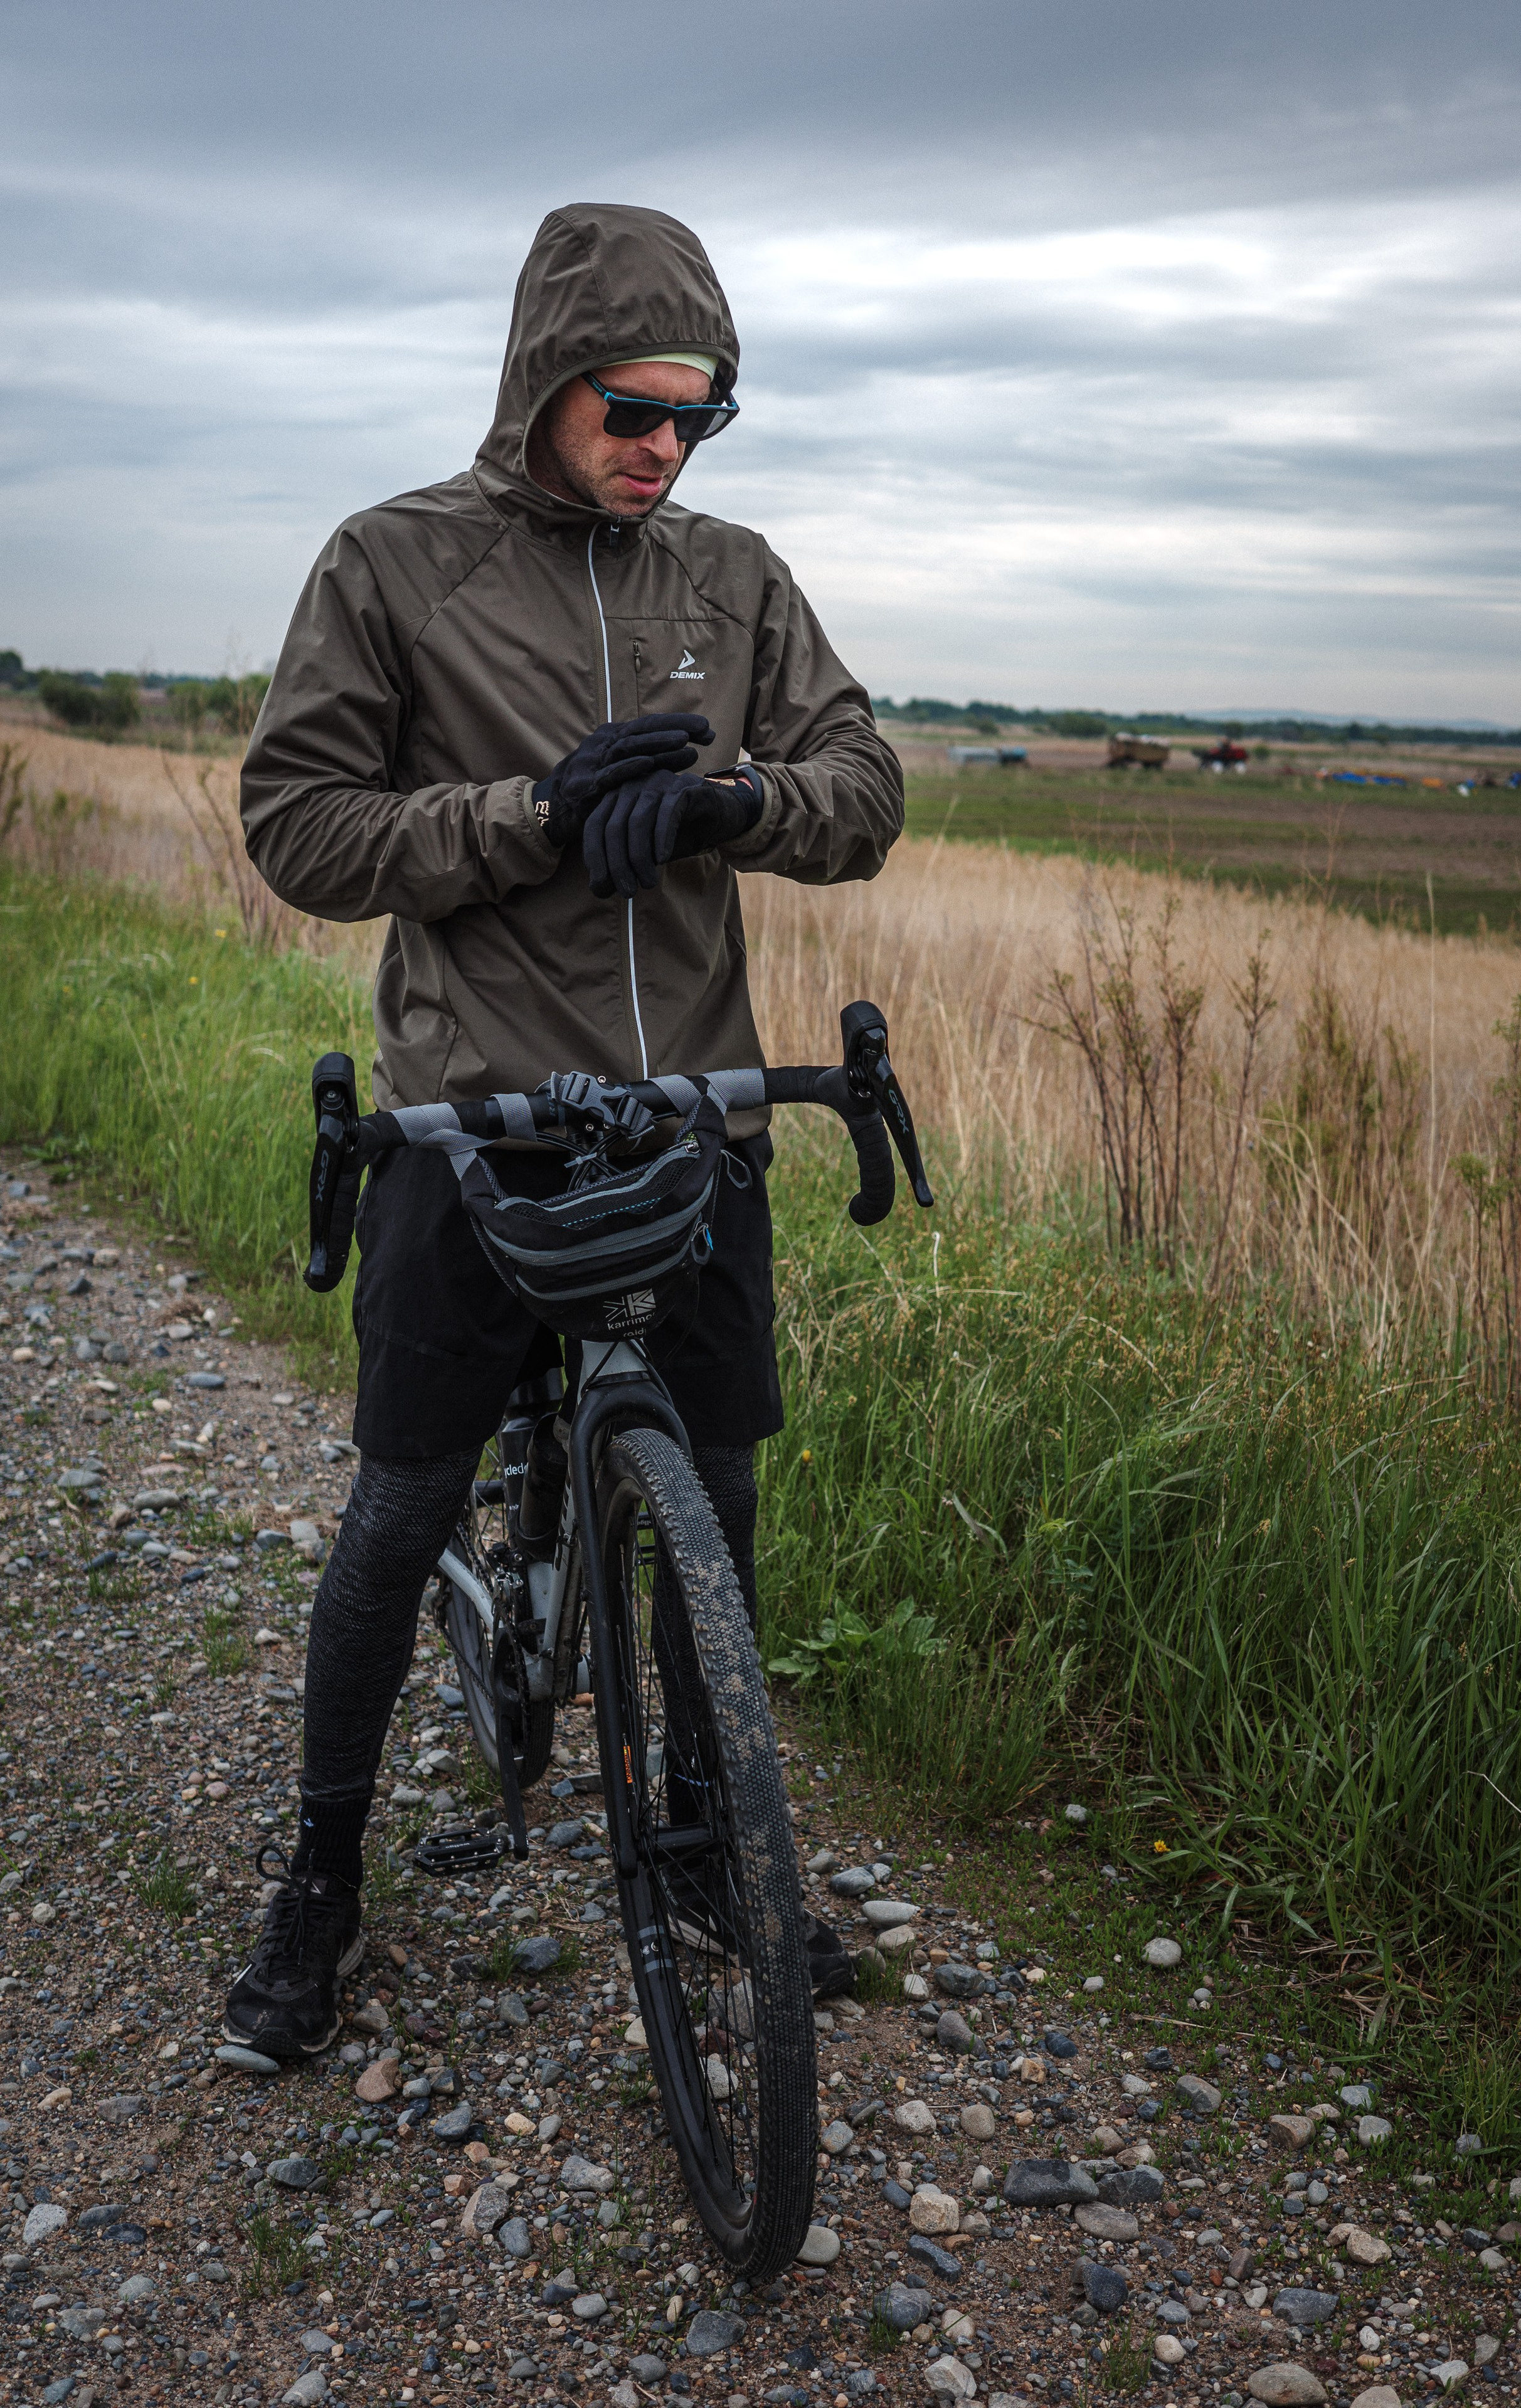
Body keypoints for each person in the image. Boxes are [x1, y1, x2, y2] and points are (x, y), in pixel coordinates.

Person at [227, 201, 904, 2055]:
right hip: (476, 1117)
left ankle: (703, 1844)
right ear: (545, 378)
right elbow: (299, 826)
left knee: (720, 1505)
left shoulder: (737, 580)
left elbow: (864, 782)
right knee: (403, 1505)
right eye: (634, 407)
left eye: (702, 414)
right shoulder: (394, 562)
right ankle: (323, 1877)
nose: (666, 445)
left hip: (694, 1111)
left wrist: (739, 805)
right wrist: (530, 817)